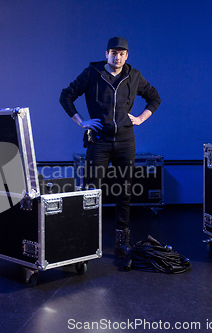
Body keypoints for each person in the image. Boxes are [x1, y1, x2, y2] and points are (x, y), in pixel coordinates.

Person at [59, 36, 160, 259]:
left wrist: (141, 118)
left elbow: (154, 97)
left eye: (122, 53)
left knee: (125, 191)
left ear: (127, 55)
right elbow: (66, 96)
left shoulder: (134, 76)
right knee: (91, 189)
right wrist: (81, 121)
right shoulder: (91, 74)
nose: (118, 57)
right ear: (106, 54)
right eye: (114, 53)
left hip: (125, 141)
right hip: (100, 141)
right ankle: (86, 237)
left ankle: (121, 238)